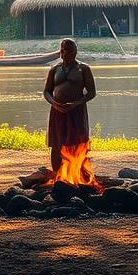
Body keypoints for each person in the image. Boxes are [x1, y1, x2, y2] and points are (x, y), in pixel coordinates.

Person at [43, 38, 96, 176]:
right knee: (56, 143)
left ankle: (77, 174)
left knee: (78, 142)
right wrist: (54, 103)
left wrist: (76, 103)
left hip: (76, 111)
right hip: (57, 111)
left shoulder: (83, 69)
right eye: (63, 50)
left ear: (75, 52)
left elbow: (91, 92)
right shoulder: (54, 69)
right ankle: (57, 176)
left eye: (68, 50)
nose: (65, 53)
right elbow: (46, 92)